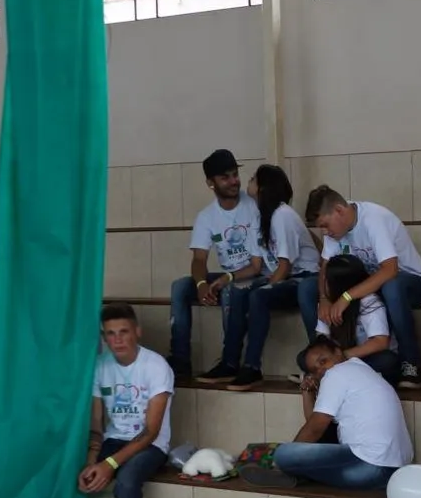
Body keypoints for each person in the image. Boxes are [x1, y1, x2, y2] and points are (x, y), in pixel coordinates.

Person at [43, 303, 175, 498]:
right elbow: (96, 424)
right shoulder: (100, 365)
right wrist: (92, 461)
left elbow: (151, 432)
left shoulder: (156, 367)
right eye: (110, 334)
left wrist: (110, 464)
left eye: (123, 332)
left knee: (127, 479)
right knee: (68, 471)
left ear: (137, 332)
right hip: (113, 440)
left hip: (151, 445)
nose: (117, 340)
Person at [303, 185, 421, 390]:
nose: (325, 232)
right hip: (367, 284)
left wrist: (346, 297)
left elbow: (390, 270)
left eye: (325, 226)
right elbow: (325, 266)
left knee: (391, 288)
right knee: (308, 288)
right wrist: (325, 298)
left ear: (339, 211)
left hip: (410, 282)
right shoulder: (334, 231)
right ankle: (320, 359)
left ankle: (410, 362)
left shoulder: (373, 220)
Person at [245, 335, 412, 490]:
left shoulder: (337, 373)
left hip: (370, 468)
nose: (321, 370)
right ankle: (300, 474)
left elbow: (314, 429)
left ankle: (293, 473)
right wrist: (307, 392)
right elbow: (317, 426)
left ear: (338, 351)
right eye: (315, 370)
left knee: (284, 454)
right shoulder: (361, 369)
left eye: (323, 361)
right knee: (320, 442)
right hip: (396, 470)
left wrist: (286, 461)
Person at [221, 164, 321, 392]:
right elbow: (258, 265)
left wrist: (266, 287)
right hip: (287, 277)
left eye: (253, 179)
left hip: (305, 277)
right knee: (238, 290)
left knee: (258, 296)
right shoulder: (261, 216)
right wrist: (231, 278)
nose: (249, 182)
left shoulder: (282, 215)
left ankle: (252, 367)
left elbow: (285, 267)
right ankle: (229, 362)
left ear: (263, 188)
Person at [168, 149, 262, 380]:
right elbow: (199, 259)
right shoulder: (207, 217)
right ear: (211, 183)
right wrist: (201, 284)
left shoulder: (253, 205)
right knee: (180, 287)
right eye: (225, 177)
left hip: (257, 275)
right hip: (230, 275)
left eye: (235, 174)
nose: (233, 181)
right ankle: (180, 361)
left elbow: (258, 264)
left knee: (229, 289)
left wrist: (226, 278)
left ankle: (230, 362)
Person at [305, 254, 400, 385]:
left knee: (387, 360)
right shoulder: (327, 303)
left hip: (362, 356)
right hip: (338, 358)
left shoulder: (369, 301)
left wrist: (342, 357)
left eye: (326, 280)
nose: (322, 283)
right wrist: (327, 360)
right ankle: (332, 374)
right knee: (303, 358)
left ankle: (333, 376)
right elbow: (322, 339)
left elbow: (380, 342)